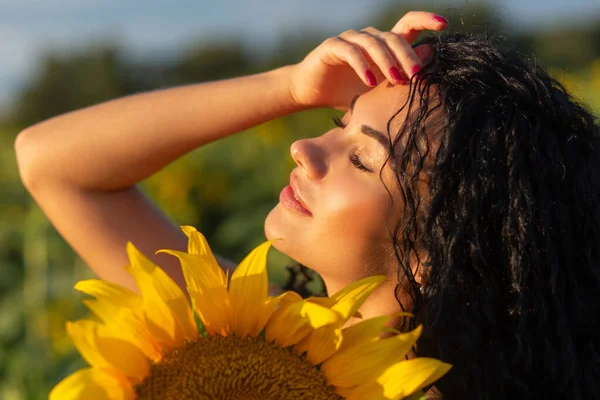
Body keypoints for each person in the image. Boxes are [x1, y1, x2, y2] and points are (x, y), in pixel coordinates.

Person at [14, 10, 600, 400]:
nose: (304, 147)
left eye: (363, 160)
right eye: (338, 122)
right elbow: (50, 162)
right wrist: (289, 86)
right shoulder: (253, 342)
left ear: (441, 251)